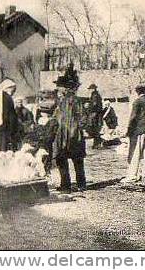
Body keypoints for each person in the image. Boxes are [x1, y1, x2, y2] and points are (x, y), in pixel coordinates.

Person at [52, 65, 87, 193]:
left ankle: (79, 184)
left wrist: (76, 129)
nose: (57, 88)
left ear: (65, 88)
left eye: (59, 86)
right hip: (62, 133)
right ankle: (67, 185)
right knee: (63, 159)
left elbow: (83, 117)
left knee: (76, 159)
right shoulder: (61, 101)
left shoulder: (74, 101)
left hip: (72, 134)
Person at [87, 83, 103, 149]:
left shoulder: (94, 95)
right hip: (97, 114)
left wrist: (89, 108)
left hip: (95, 114)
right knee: (95, 130)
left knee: (93, 129)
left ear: (93, 89)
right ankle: (96, 143)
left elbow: (94, 104)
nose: (89, 90)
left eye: (90, 89)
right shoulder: (96, 95)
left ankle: (97, 143)